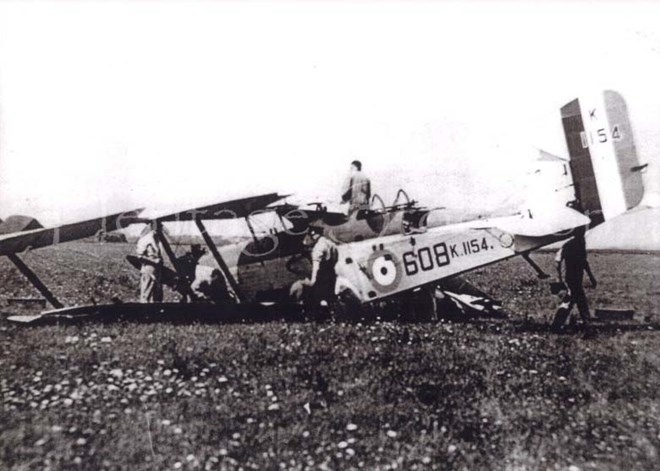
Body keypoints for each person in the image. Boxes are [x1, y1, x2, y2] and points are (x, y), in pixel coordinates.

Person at [551, 225, 597, 331]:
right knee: (576, 302)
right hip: (574, 279)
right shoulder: (579, 244)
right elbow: (584, 262)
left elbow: (558, 261)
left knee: (574, 301)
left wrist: (559, 278)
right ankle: (587, 325)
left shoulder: (568, 245)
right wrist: (591, 277)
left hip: (572, 278)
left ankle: (557, 325)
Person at [293, 225, 339, 305]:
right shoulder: (329, 242)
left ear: (313, 235)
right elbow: (335, 257)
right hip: (332, 272)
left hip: (322, 276)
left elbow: (316, 268)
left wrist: (313, 281)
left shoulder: (317, 249)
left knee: (300, 285)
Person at [136, 222, 164, 303]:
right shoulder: (146, 239)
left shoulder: (157, 239)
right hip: (148, 268)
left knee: (158, 292)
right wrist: (154, 261)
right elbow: (139, 256)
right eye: (159, 227)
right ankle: (145, 312)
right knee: (146, 292)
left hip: (157, 269)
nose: (160, 229)